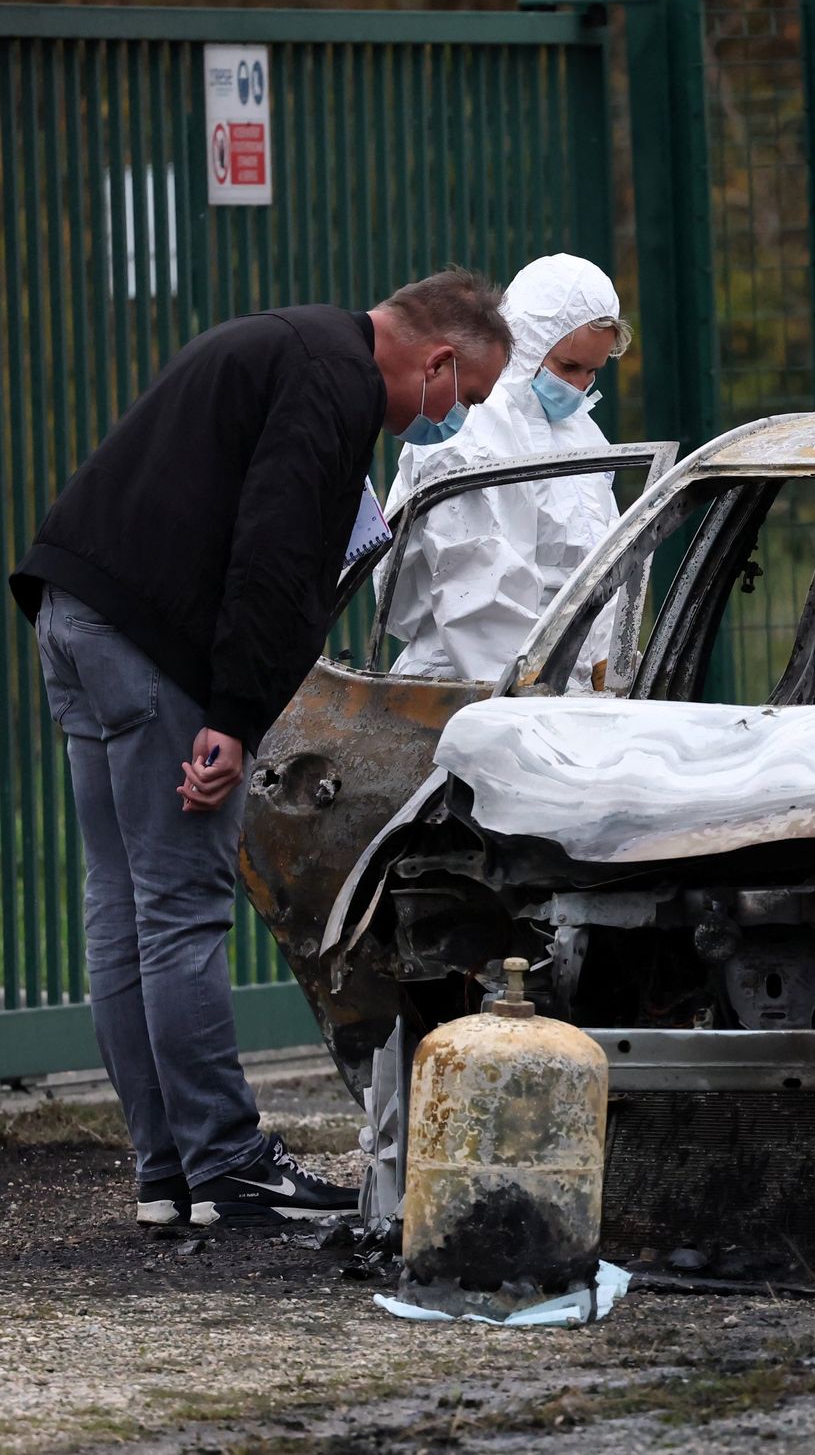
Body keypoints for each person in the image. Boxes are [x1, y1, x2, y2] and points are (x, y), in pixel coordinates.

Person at [7, 269, 511, 1229]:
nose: (449, 418)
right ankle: (228, 1165)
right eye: (465, 397)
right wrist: (235, 721)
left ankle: (171, 1176)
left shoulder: (294, 344)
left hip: (75, 612)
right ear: (438, 361)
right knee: (184, 906)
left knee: (123, 902)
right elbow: (275, 555)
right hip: (145, 642)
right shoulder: (335, 384)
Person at [380, 253, 630, 687]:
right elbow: (478, 594)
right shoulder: (472, 428)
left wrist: (609, 661)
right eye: (568, 366)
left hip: (562, 688)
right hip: (465, 687)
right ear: (528, 342)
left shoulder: (581, 434)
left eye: (592, 371)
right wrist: (523, 698)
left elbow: (602, 562)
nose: (579, 386)